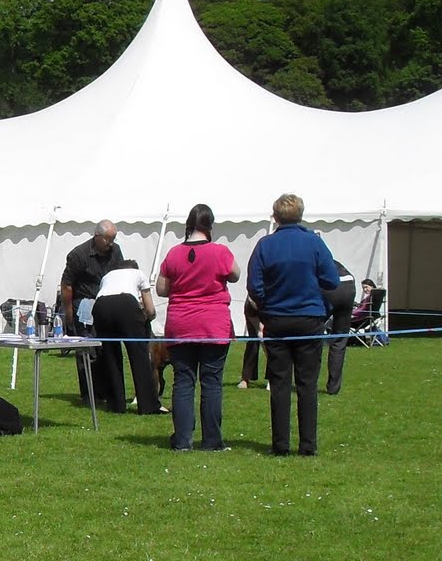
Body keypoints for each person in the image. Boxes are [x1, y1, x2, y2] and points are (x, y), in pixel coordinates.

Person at [247, 192, 339, 457]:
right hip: (309, 319)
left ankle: (281, 445)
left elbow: (254, 285)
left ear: (275, 217)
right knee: (307, 384)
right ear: (301, 214)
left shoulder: (265, 245)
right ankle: (308, 445)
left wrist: (266, 304)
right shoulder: (314, 243)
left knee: (279, 383)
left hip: (276, 319)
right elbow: (332, 280)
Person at [156, 204, 240, 450]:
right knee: (211, 382)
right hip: (213, 324)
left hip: (181, 323)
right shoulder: (220, 252)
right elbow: (235, 275)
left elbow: (162, 289)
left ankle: (182, 440)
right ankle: (212, 440)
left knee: (183, 381)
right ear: (210, 226)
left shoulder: (173, 254)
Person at [61, 221, 125, 400]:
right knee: (88, 351)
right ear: (97, 236)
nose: (111, 243)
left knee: (108, 349)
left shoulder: (116, 251)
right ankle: (90, 394)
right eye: (107, 240)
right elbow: (66, 285)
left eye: (113, 239)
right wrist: (68, 314)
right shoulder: (78, 255)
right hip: (85, 307)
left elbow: (121, 275)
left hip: (108, 304)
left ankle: (109, 391)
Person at [90, 258, 161, 415]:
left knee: (110, 355)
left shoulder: (107, 276)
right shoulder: (139, 274)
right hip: (126, 304)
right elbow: (149, 309)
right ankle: (148, 405)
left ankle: (116, 404)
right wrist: (147, 318)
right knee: (139, 356)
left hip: (101, 307)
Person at [323, 259, 357, 396]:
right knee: (339, 340)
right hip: (349, 285)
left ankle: (308, 383)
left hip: (331, 287)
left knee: (311, 336)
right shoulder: (328, 257)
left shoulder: (308, 258)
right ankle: (333, 387)